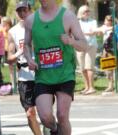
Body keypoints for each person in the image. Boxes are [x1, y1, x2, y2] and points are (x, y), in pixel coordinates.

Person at [24, 0, 88, 135]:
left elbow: (84, 45)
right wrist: (29, 59)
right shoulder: (30, 20)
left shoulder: (68, 16)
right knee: (45, 117)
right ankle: (54, 130)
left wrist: (71, 41)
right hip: (43, 76)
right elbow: (27, 44)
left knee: (63, 115)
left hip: (65, 74)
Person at [8, 1, 42, 135]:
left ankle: (49, 128)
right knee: (30, 114)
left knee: (45, 113)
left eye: (25, 10)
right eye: (19, 11)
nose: (22, 14)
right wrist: (20, 51)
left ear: (30, 11)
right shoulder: (13, 31)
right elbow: (9, 58)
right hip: (25, 77)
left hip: (41, 74)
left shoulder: (39, 26)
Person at [77, 5, 98, 95]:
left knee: (89, 67)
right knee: (82, 68)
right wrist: (87, 33)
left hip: (91, 45)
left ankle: (92, 87)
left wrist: (83, 33)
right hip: (79, 46)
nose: (87, 13)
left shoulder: (93, 21)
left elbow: (94, 32)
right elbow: (76, 33)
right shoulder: (77, 22)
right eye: (85, 11)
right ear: (81, 13)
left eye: (88, 11)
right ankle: (87, 87)